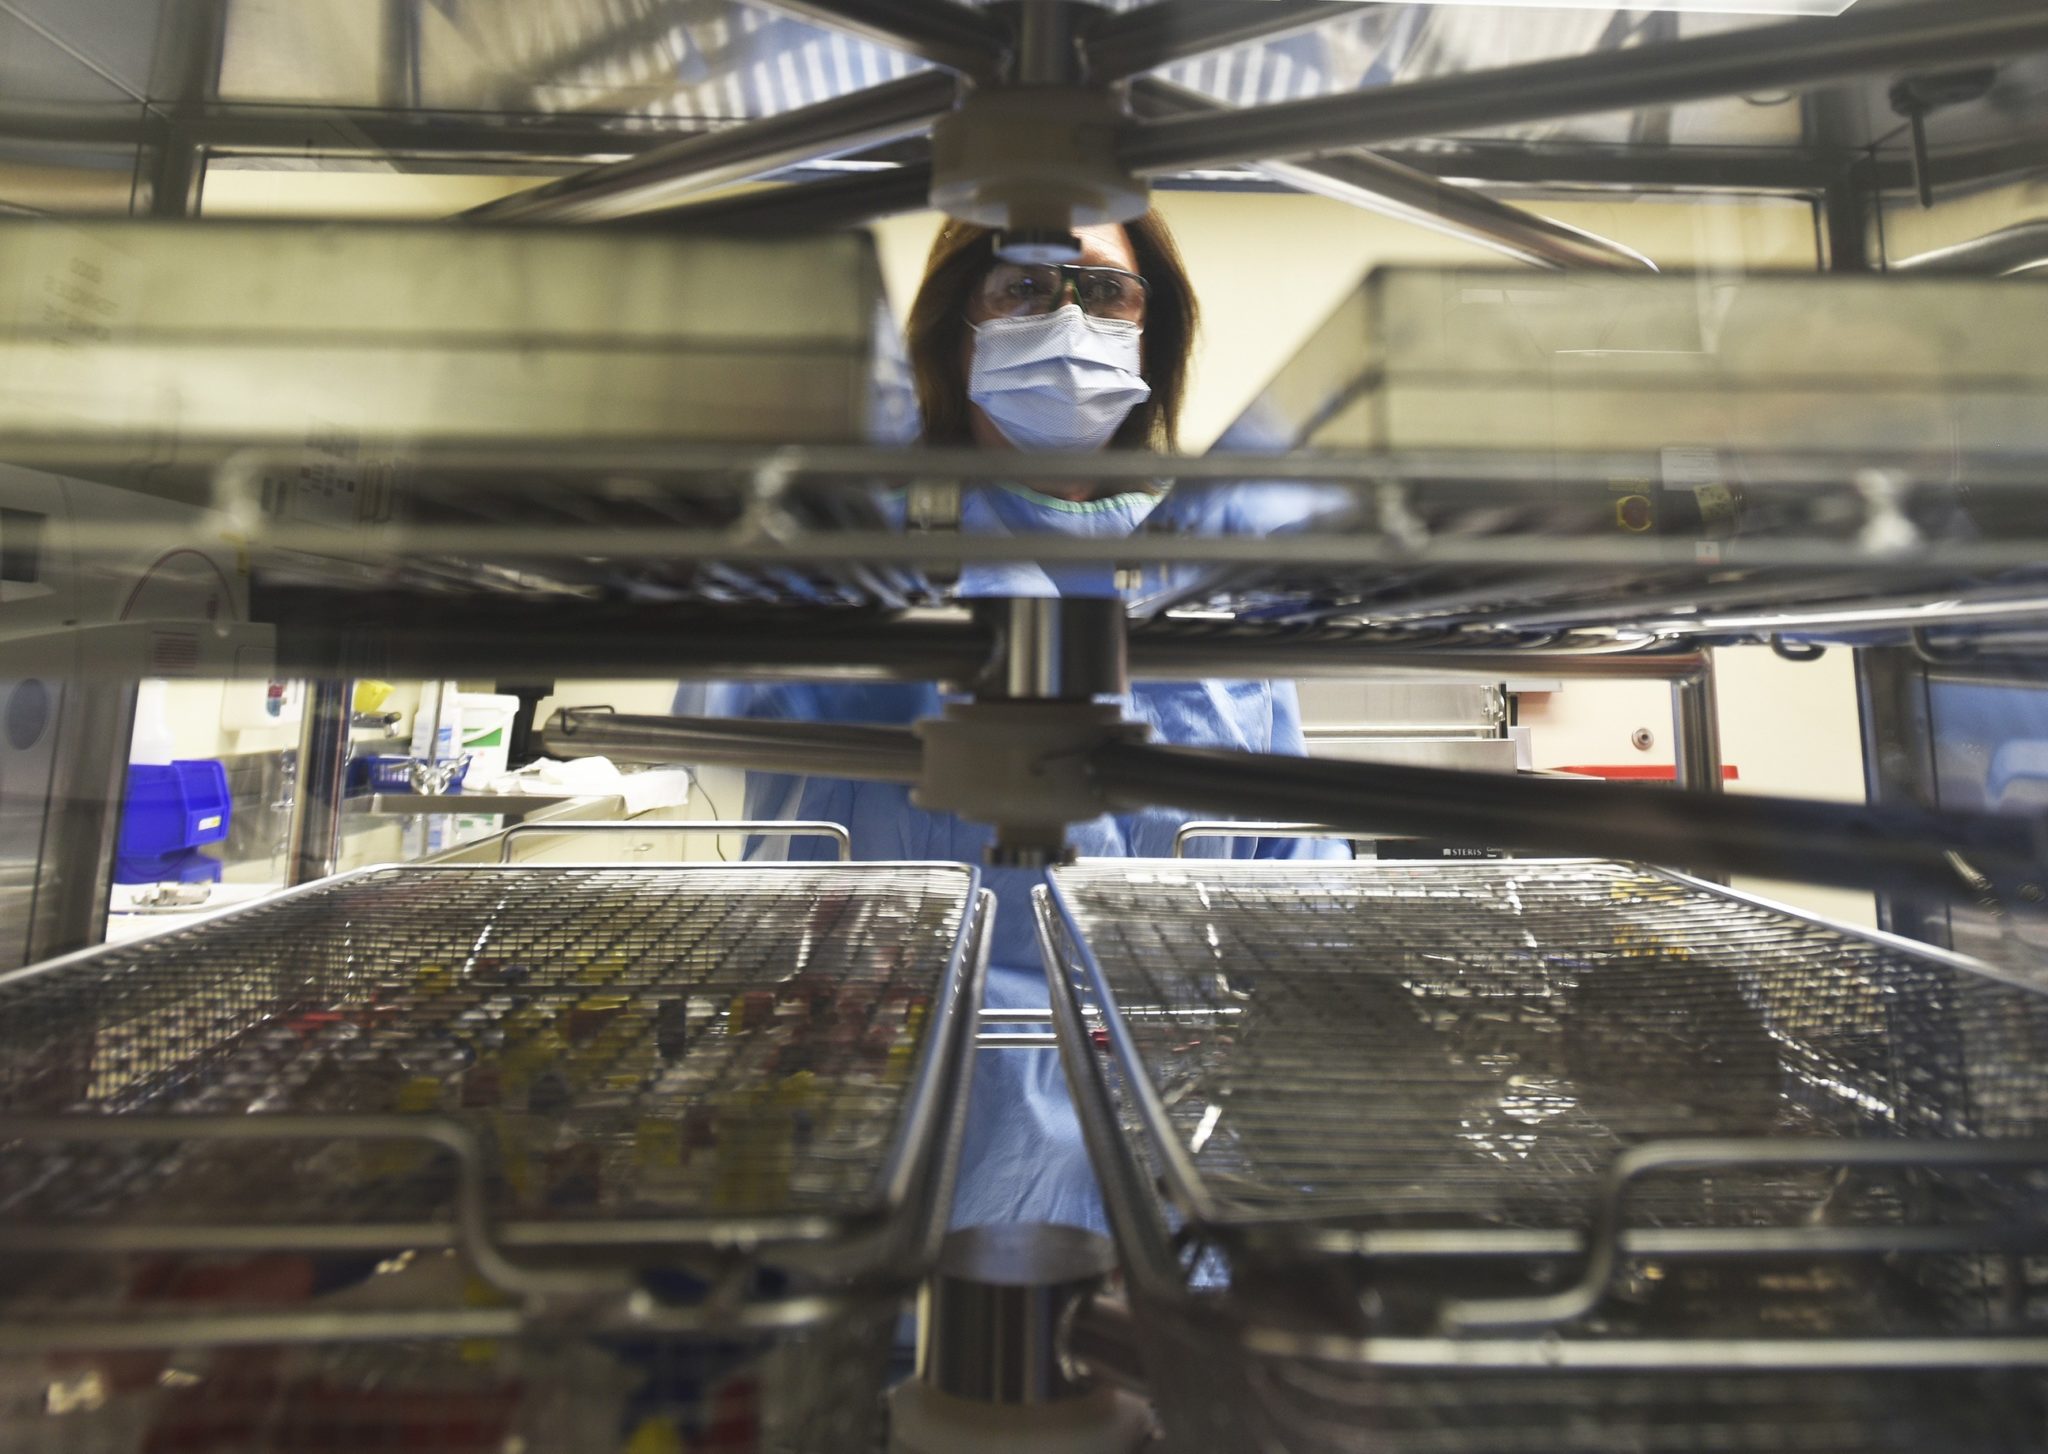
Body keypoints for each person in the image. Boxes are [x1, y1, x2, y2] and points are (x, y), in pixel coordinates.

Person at [680, 211, 1344, 1232]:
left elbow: (1293, 885)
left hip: (1166, 1150)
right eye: (1022, 288)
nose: (1067, 320)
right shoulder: (857, 548)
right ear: (958, 327)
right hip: (887, 1135)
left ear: (1149, 329)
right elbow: (729, 708)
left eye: (1104, 291)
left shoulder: (1207, 577)